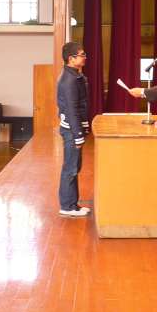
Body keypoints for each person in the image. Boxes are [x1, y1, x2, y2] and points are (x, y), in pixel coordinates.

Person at [57, 42, 91, 217]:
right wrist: (78, 134)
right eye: (82, 55)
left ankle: (73, 204)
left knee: (74, 168)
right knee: (70, 169)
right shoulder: (69, 80)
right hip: (71, 130)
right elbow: (71, 109)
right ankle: (67, 206)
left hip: (73, 128)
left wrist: (84, 126)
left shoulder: (75, 75)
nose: (85, 57)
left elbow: (80, 105)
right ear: (71, 58)